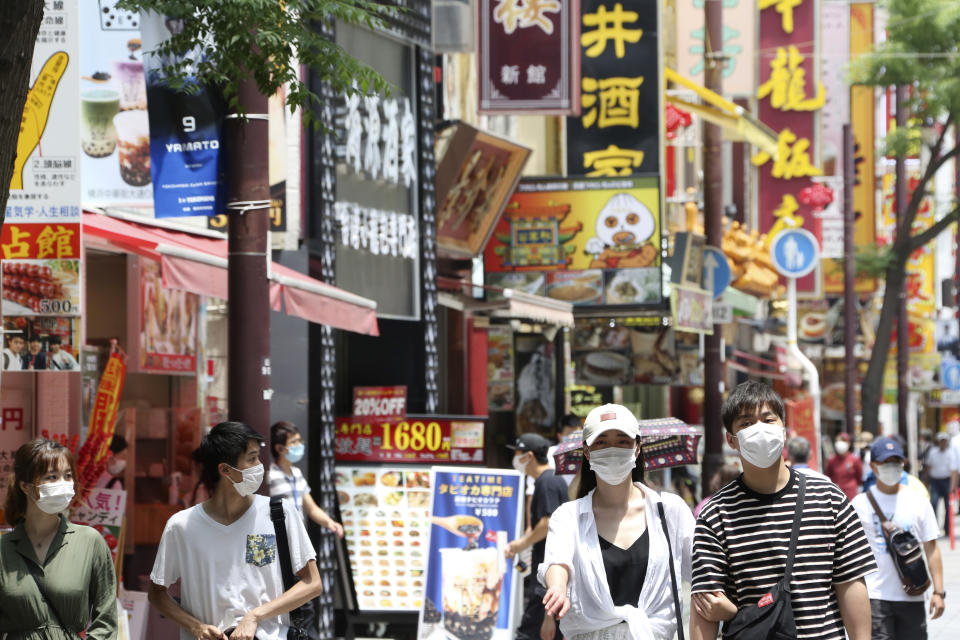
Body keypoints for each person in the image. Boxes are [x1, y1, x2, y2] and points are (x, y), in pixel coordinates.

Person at [690, 380, 876, 640]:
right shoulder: (715, 514)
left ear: (784, 430)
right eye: (746, 423)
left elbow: (850, 583)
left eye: (768, 420)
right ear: (731, 440)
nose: (759, 429)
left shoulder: (830, 498)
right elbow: (704, 605)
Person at [149, 421, 323, 640]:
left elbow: (312, 583)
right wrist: (196, 627)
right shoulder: (181, 525)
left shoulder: (279, 514)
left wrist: (255, 616)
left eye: (258, 456)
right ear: (225, 470)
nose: (260, 465)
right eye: (252, 459)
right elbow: (156, 593)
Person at [540, 403, 699, 640]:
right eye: (602, 442)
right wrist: (557, 587)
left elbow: (702, 575)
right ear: (587, 451)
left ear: (637, 449)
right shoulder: (568, 516)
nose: (612, 449)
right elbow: (558, 561)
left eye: (622, 441)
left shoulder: (670, 511)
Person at [0, 438, 117, 639]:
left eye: (68, 476)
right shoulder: (4, 550)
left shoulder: (90, 542)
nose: (63, 484)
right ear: (25, 487)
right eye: (52, 477)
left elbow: (106, 621)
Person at [850, 436, 945, 639]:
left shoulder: (918, 501)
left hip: (912, 593)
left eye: (896, 462)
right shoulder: (860, 504)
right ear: (873, 466)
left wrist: (938, 592)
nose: (891, 467)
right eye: (885, 463)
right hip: (875, 596)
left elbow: (932, 548)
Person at [505, 433, 570, 640]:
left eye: (517, 453)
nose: (515, 458)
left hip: (547, 574)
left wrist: (519, 545)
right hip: (551, 573)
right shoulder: (552, 480)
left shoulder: (546, 482)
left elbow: (547, 522)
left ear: (529, 456)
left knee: (528, 633)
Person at [268, 421, 344, 537]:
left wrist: (330, 523)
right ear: (279, 448)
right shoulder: (270, 474)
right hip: (275, 537)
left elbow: (311, 509)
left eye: (299, 440)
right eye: (294, 442)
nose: (299, 445)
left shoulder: (297, 473)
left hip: (297, 537)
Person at [924, 432, 959, 534]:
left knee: (948, 506)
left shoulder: (951, 453)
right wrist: (926, 482)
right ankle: (933, 529)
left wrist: (953, 486)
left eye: (944, 441)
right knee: (933, 504)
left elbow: (954, 471)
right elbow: (928, 468)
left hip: (946, 481)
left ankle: (947, 529)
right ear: (938, 442)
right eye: (941, 441)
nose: (942, 443)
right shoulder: (933, 452)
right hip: (935, 482)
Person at [546, 413, 582, 486]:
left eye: (578, 434)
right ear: (559, 436)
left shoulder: (588, 454)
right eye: (569, 434)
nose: (574, 438)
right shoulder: (548, 454)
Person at [826, 432, 863, 500]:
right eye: (838, 441)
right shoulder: (831, 460)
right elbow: (829, 476)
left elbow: (859, 477)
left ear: (848, 443)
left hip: (851, 495)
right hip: (836, 494)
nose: (840, 443)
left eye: (843, 440)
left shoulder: (855, 459)